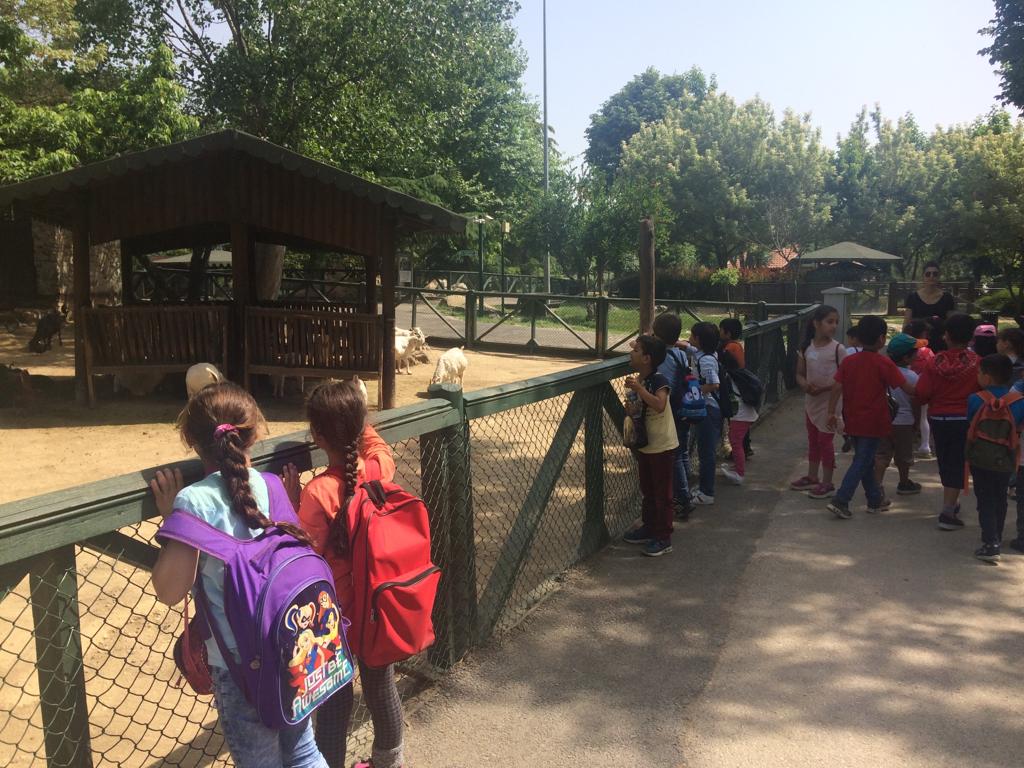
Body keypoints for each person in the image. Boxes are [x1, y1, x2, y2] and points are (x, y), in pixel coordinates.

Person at [148, 383, 330, 768]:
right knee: (304, 752)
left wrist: (174, 520)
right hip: (294, 646)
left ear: (191, 441)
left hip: (240, 665)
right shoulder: (271, 485)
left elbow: (169, 590)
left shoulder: (193, 501)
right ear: (254, 433)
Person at [283, 380, 405, 768]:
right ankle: (390, 762)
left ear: (317, 435)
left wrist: (290, 504)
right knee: (381, 688)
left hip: (335, 621)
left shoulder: (318, 492)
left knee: (334, 708)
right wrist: (357, 415)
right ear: (359, 425)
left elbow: (302, 554)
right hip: (377, 607)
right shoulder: (377, 469)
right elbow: (379, 448)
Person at [825, 316, 916, 519]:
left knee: (865, 460)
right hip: (874, 421)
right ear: (882, 339)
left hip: (852, 418)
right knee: (862, 460)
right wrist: (931, 388)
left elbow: (837, 387)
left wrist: (831, 412)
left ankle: (875, 500)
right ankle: (841, 499)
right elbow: (908, 388)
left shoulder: (849, 361)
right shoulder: (883, 363)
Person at [915, 312, 981, 530]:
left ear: (947, 335)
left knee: (945, 460)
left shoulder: (934, 362)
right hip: (965, 419)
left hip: (939, 418)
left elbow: (923, 392)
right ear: (971, 337)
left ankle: (951, 502)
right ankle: (948, 510)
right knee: (958, 462)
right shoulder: (977, 363)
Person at [622, 335, 679, 556]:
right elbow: (640, 408)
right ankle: (649, 527)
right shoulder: (639, 380)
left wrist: (640, 390)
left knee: (662, 492)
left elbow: (660, 405)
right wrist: (631, 407)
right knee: (648, 489)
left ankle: (664, 536)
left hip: (662, 444)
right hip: (646, 442)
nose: (631, 353)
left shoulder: (658, 379)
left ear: (647, 358)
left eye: (636, 351)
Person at [967, 354, 1024, 563]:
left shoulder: (975, 399)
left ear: (987, 377)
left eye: (979, 372)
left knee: (985, 499)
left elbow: (970, 422)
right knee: (1000, 497)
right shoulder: (1019, 402)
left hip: (980, 457)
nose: (977, 375)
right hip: (1006, 458)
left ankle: (990, 543)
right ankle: (996, 535)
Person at [791, 305, 845, 498]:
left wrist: (822, 389)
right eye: (829, 321)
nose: (834, 326)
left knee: (825, 441)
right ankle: (812, 476)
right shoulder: (806, 347)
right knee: (813, 439)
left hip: (830, 403)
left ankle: (827, 482)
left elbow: (842, 379)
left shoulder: (838, 349)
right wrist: (805, 385)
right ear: (816, 323)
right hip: (811, 401)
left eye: (836, 322)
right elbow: (799, 373)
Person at [874, 333, 924, 506]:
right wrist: (917, 422)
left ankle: (877, 487)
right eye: (915, 352)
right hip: (905, 421)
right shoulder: (912, 377)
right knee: (904, 456)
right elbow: (916, 402)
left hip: (884, 420)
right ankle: (904, 482)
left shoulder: (882, 373)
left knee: (881, 455)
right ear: (906, 357)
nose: (918, 354)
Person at [653, 313, 694, 520]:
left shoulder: (663, 357)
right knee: (683, 452)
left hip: (672, 411)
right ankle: (687, 493)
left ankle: (682, 498)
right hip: (683, 408)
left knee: (675, 456)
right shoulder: (679, 353)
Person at [686, 322, 723, 505]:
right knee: (704, 450)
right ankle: (703, 488)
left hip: (708, 408)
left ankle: (707, 493)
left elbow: (714, 384)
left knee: (706, 452)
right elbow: (688, 347)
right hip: (708, 408)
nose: (689, 339)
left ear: (699, 339)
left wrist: (692, 392)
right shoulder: (704, 353)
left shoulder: (706, 360)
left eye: (692, 336)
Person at [719, 350, 757, 485]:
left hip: (740, 414)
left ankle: (739, 473)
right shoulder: (738, 374)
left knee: (735, 442)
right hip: (745, 412)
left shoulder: (728, 377)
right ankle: (737, 467)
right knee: (735, 440)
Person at [719, 317, 752, 459]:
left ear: (728, 333)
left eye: (721, 330)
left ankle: (741, 449)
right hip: (739, 384)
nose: (719, 333)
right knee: (739, 420)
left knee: (735, 419)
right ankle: (745, 447)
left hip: (734, 386)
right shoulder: (736, 345)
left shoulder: (730, 347)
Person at [905, 319, 936, 457]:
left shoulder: (905, 347)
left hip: (906, 384)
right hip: (923, 386)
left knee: (906, 414)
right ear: (923, 333)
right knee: (923, 416)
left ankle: (906, 443)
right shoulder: (928, 351)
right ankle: (925, 445)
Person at [903, 260, 956, 326]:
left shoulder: (947, 297)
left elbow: (951, 323)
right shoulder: (913, 297)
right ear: (923, 276)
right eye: (928, 274)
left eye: (935, 274)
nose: (931, 276)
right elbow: (906, 323)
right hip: (918, 333)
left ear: (939, 276)